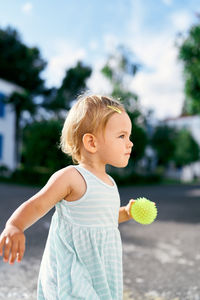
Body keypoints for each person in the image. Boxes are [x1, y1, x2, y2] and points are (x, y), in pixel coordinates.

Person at [0, 94, 135, 300]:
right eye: (122, 136)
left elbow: (101, 219)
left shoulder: (110, 183)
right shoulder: (71, 177)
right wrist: (15, 226)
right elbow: (37, 205)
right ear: (91, 142)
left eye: (129, 136)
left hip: (101, 266)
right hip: (73, 268)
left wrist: (126, 212)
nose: (130, 143)